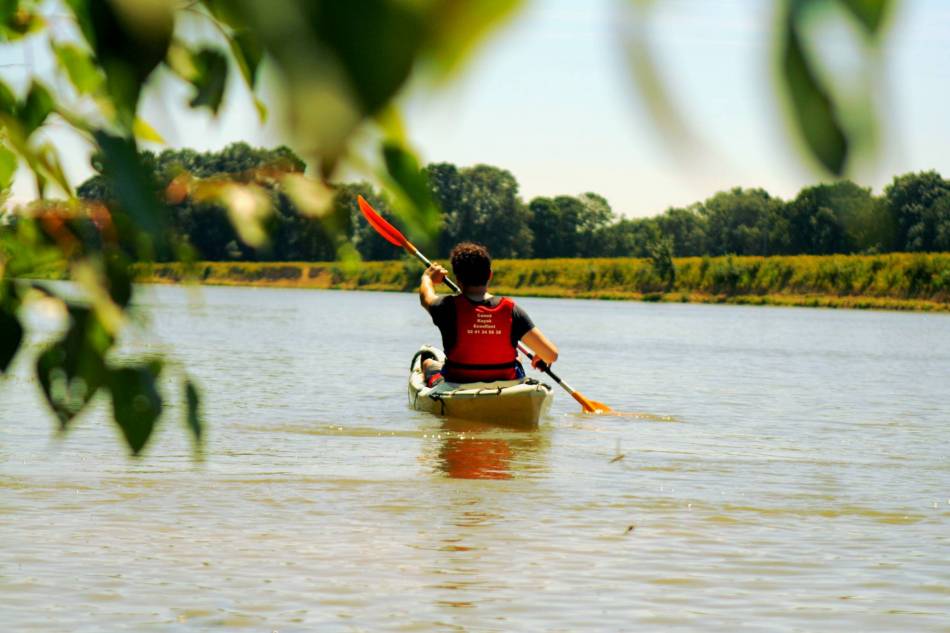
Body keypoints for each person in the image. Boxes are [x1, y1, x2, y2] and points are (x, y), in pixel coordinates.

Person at [419, 241, 558, 386]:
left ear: (458, 279)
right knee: (518, 359)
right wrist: (541, 356)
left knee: (428, 363)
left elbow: (426, 298)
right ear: (490, 275)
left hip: (458, 382)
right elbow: (551, 355)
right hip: (505, 383)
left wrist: (427, 278)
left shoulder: (446, 307)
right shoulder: (511, 310)